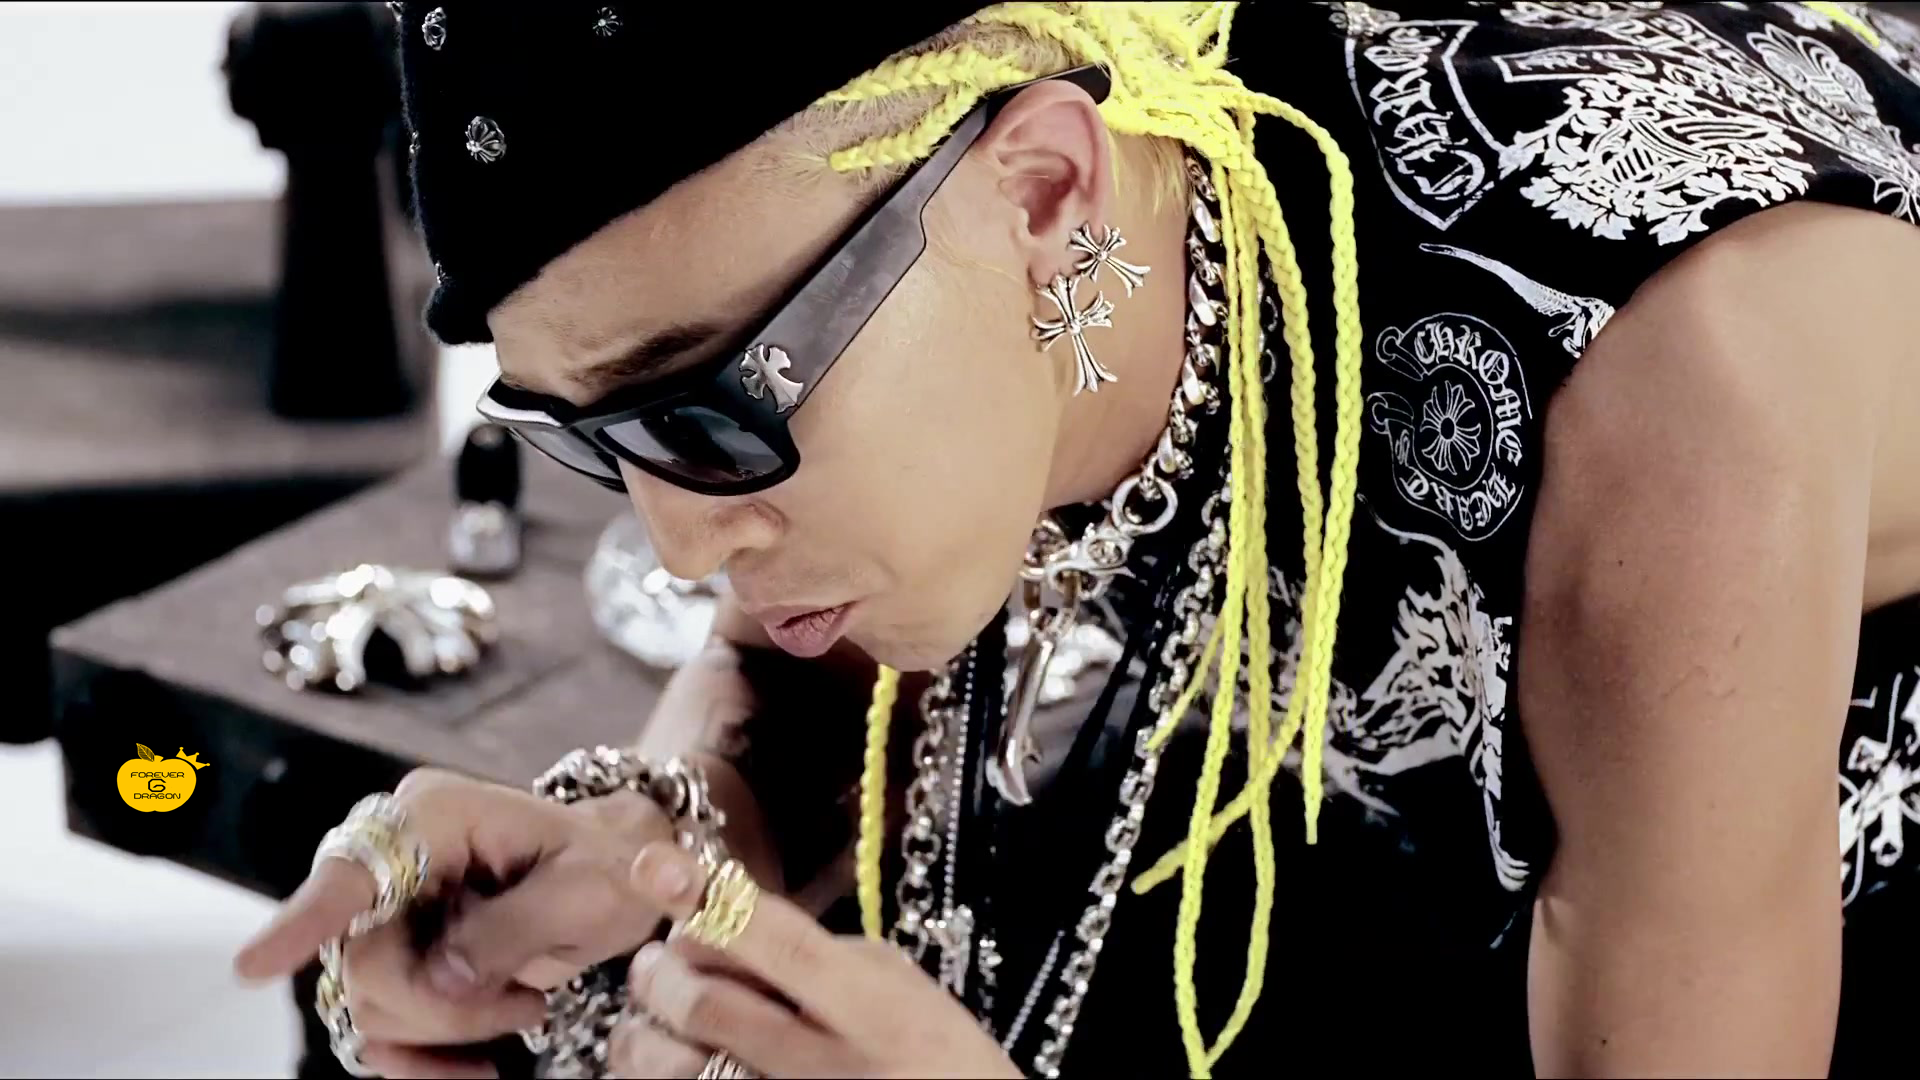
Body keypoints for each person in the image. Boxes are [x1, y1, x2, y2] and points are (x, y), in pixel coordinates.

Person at [234, 3, 1920, 1077]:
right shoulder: (1070, 248)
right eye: (588, 438)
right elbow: (800, 679)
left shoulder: (1681, 401)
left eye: (710, 414)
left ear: (1044, 192)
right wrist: (653, 838)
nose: (678, 550)